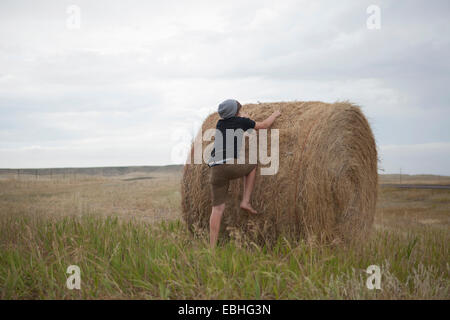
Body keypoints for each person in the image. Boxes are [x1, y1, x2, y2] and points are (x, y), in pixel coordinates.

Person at [208, 99, 281, 248]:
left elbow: (234, 122)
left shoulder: (220, 124)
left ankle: (212, 247)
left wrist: (243, 117)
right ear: (236, 112)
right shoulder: (242, 121)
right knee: (252, 165)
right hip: (230, 165)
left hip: (215, 168)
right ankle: (245, 201)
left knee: (217, 209)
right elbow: (264, 125)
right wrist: (275, 114)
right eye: (238, 110)